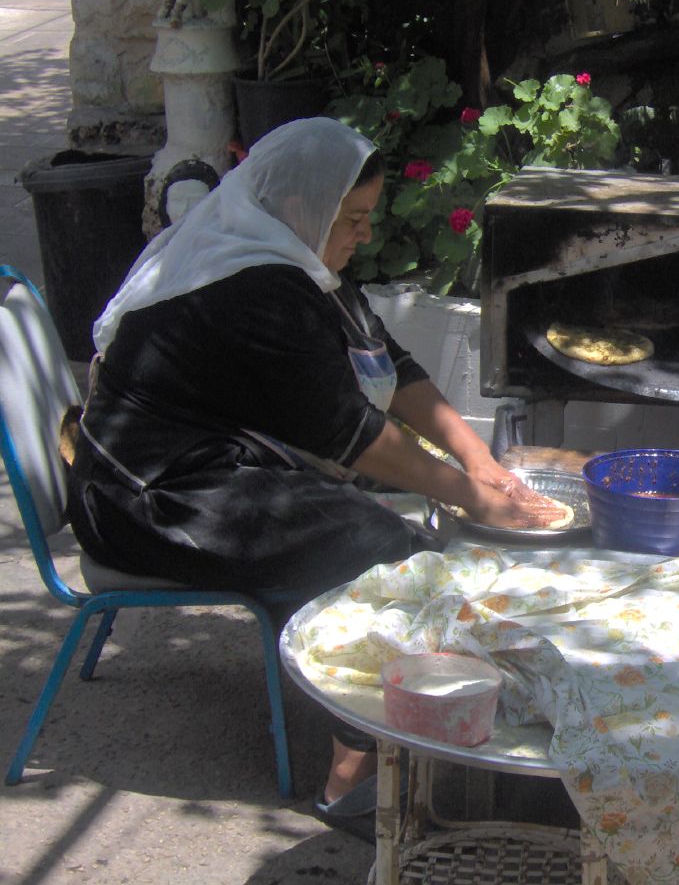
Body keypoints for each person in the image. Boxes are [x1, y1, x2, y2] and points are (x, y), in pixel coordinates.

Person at [67, 116, 562, 832]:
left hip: (207, 463)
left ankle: (387, 719)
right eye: (353, 218)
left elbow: (392, 367)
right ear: (303, 207)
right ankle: (351, 777)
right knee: (378, 547)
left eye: (366, 217)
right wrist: (471, 498)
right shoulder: (251, 282)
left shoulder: (294, 261)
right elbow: (350, 432)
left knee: (377, 529)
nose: (363, 234)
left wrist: (478, 459)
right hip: (142, 498)